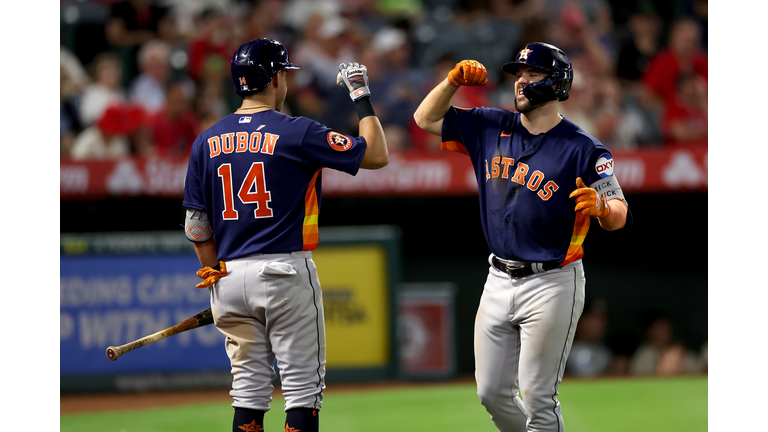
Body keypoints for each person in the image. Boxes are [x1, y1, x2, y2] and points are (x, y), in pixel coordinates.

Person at [413, 42, 630, 432]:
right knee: (491, 392)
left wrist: (600, 209)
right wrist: (450, 83)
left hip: (552, 281)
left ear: (557, 84)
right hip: (497, 276)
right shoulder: (489, 125)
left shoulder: (583, 148)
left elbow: (619, 213)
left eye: (532, 75)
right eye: (519, 74)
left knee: (537, 398)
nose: (521, 82)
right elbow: (425, 119)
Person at [181, 38, 388, 432]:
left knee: (248, 394)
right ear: (276, 78)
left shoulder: (205, 141)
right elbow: (376, 155)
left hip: (228, 277)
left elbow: (196, 224)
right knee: (302, 393)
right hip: (283, 271)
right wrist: (360, 95)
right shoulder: (295, 131)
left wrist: (212, 272)